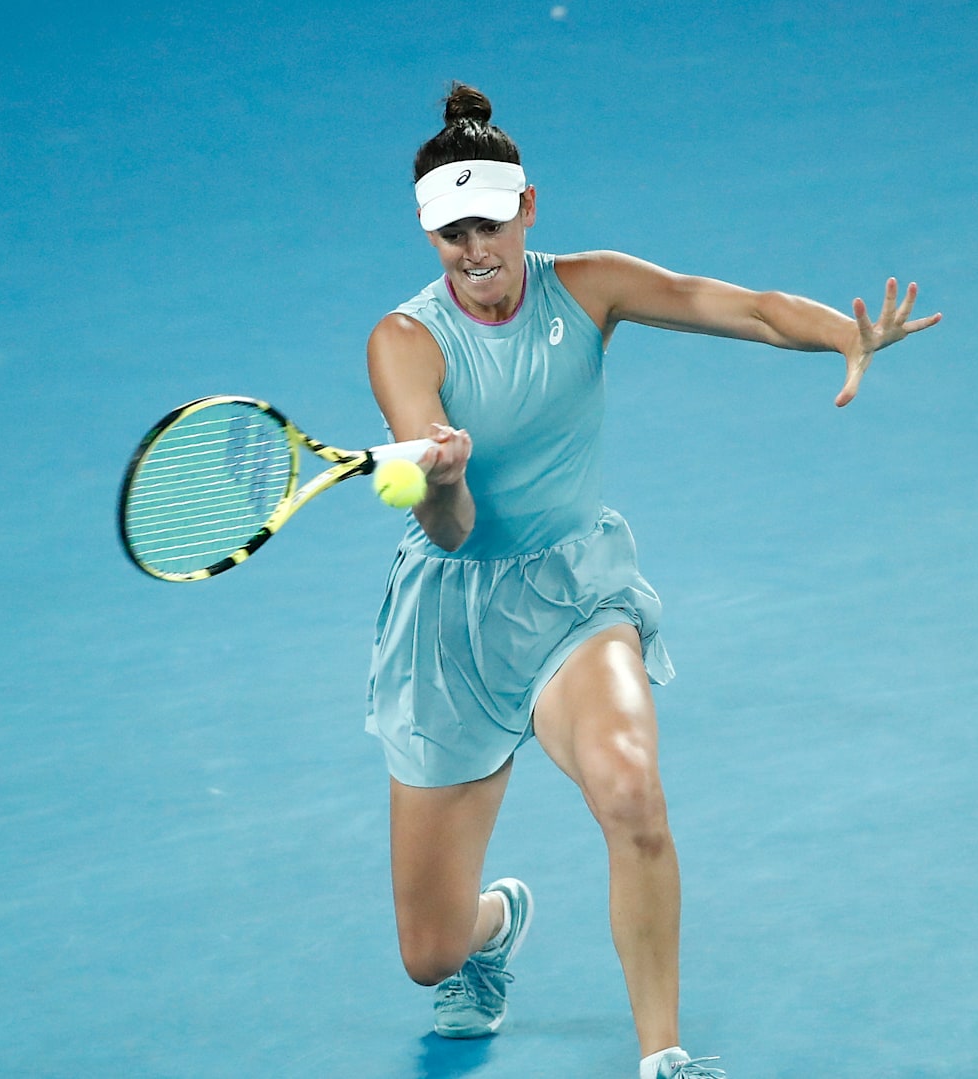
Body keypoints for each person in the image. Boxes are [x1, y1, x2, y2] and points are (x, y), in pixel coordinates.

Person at [364, 83, 940, 1079]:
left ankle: (664, 1053)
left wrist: (841, 334)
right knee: (430, 952)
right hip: (450, 629)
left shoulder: (591, 286)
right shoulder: (405, 343)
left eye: (490, 224)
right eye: (451, 232)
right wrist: (440, 481)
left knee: (632, 790)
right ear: (430, 236)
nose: (475, 250)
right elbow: (451, 532)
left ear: (527, 208)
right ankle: (494, 929)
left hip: (574, 594)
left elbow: (740, 306)